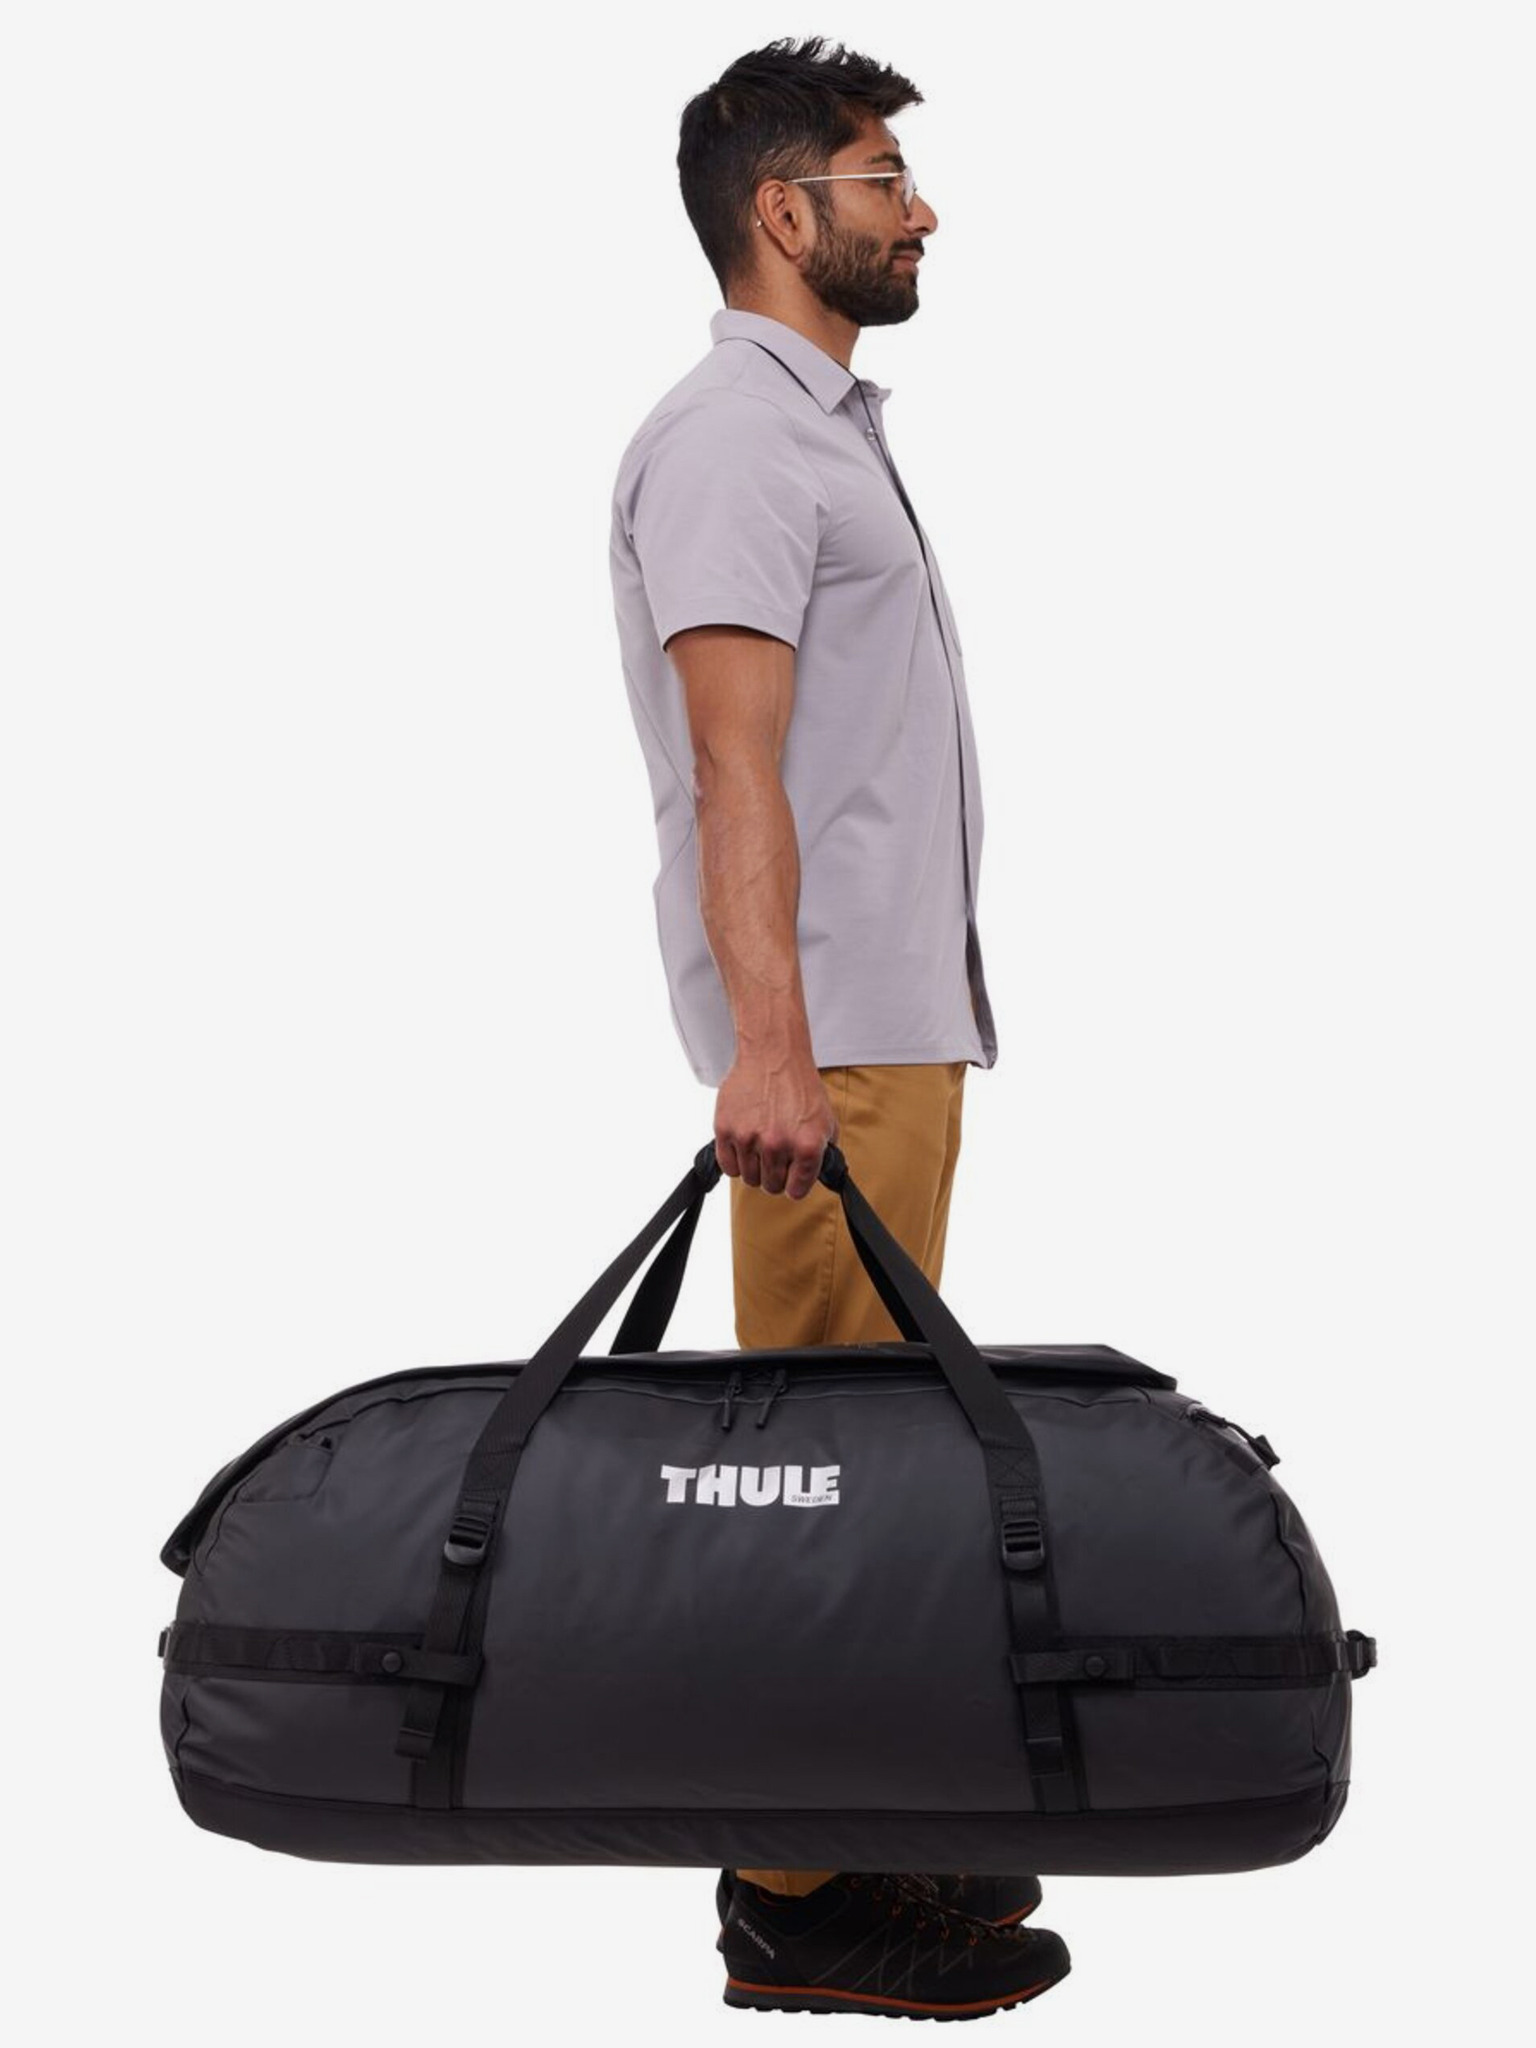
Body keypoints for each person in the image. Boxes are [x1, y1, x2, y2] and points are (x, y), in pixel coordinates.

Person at [608, 35, 1071, 2022]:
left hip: (893, 1035)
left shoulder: (824, 432)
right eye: (887, 179)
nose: (923, 211)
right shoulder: (735, 444)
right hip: (831, 1053)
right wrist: (773, 1049)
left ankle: (850, 1812)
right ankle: (788, 1896)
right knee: (809, 1492)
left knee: (870, 1475)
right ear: (786, 212)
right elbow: (737, 765)